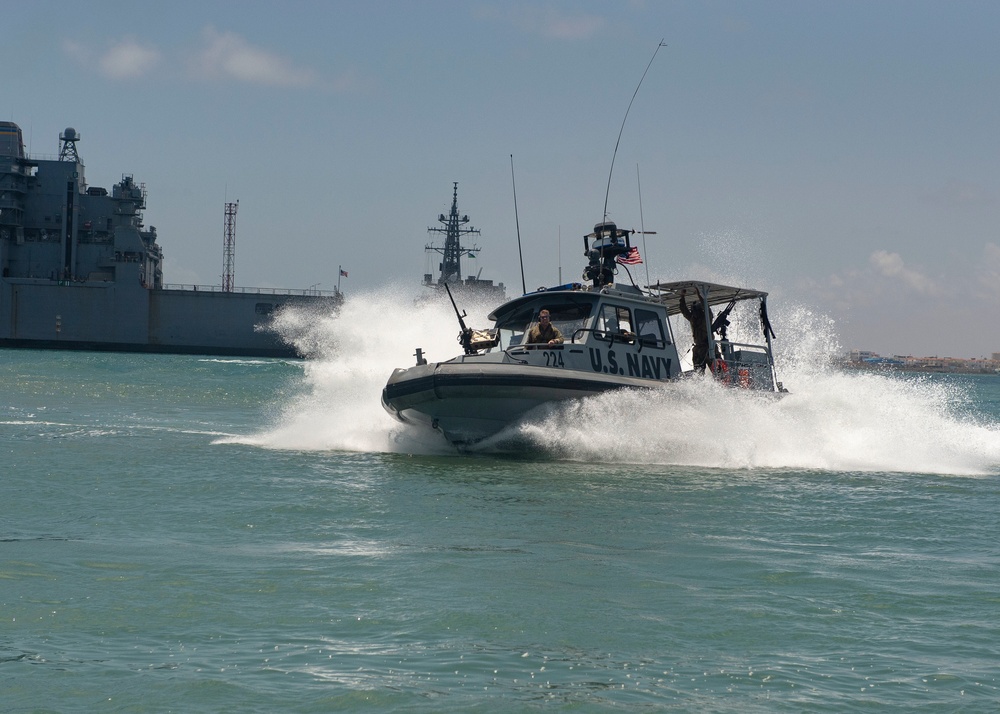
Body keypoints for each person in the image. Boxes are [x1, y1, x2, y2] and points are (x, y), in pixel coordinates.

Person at [678, 289, 713, 372]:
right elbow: (684, 310)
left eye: (695, 310)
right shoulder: (692, 319)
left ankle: (721, 382)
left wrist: (699, 295)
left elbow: (706, 307)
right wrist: (682, 296)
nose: (693, 313)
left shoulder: (707, 317)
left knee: (717, 371)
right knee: (698, 373)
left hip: (708, 347)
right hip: (698, 348)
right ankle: (700, 384)